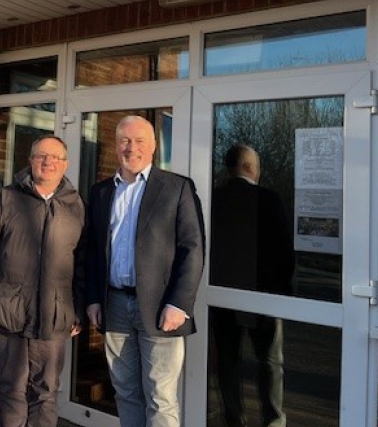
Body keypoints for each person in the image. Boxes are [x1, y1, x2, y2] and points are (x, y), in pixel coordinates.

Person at [85, 115, 205, 427]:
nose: (132, 148)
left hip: (160, 309)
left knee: (161, 397)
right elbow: (93, 250)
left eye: (140, 141)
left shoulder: (177, 187)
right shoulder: (100, 192)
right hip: (114, 305)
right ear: (116, 146)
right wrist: (93, 299)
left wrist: (179, 303)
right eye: (125, 140)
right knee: (125, 392)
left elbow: (192, 248)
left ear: (152, 147)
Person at [0, 135, 86, 427]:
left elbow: (83, 261)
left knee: (46, 392)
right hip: (10, 311)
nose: (48, 162)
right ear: (30, 160)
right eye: (41, 156)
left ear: (65, 164)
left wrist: (79, 308)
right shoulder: (7, 198)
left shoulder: (75, 205)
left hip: (55, 316)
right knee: (11, 390)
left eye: (55, 157)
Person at [210, 144, 295, 427]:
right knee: (270, 361)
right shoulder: (268, 199)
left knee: (228, 361)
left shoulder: (213, 199)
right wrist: (283, 293)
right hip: (264, 297)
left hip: (221, 297)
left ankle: (234, 419)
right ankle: (273, 420)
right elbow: (284, 250)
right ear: (250, 167)